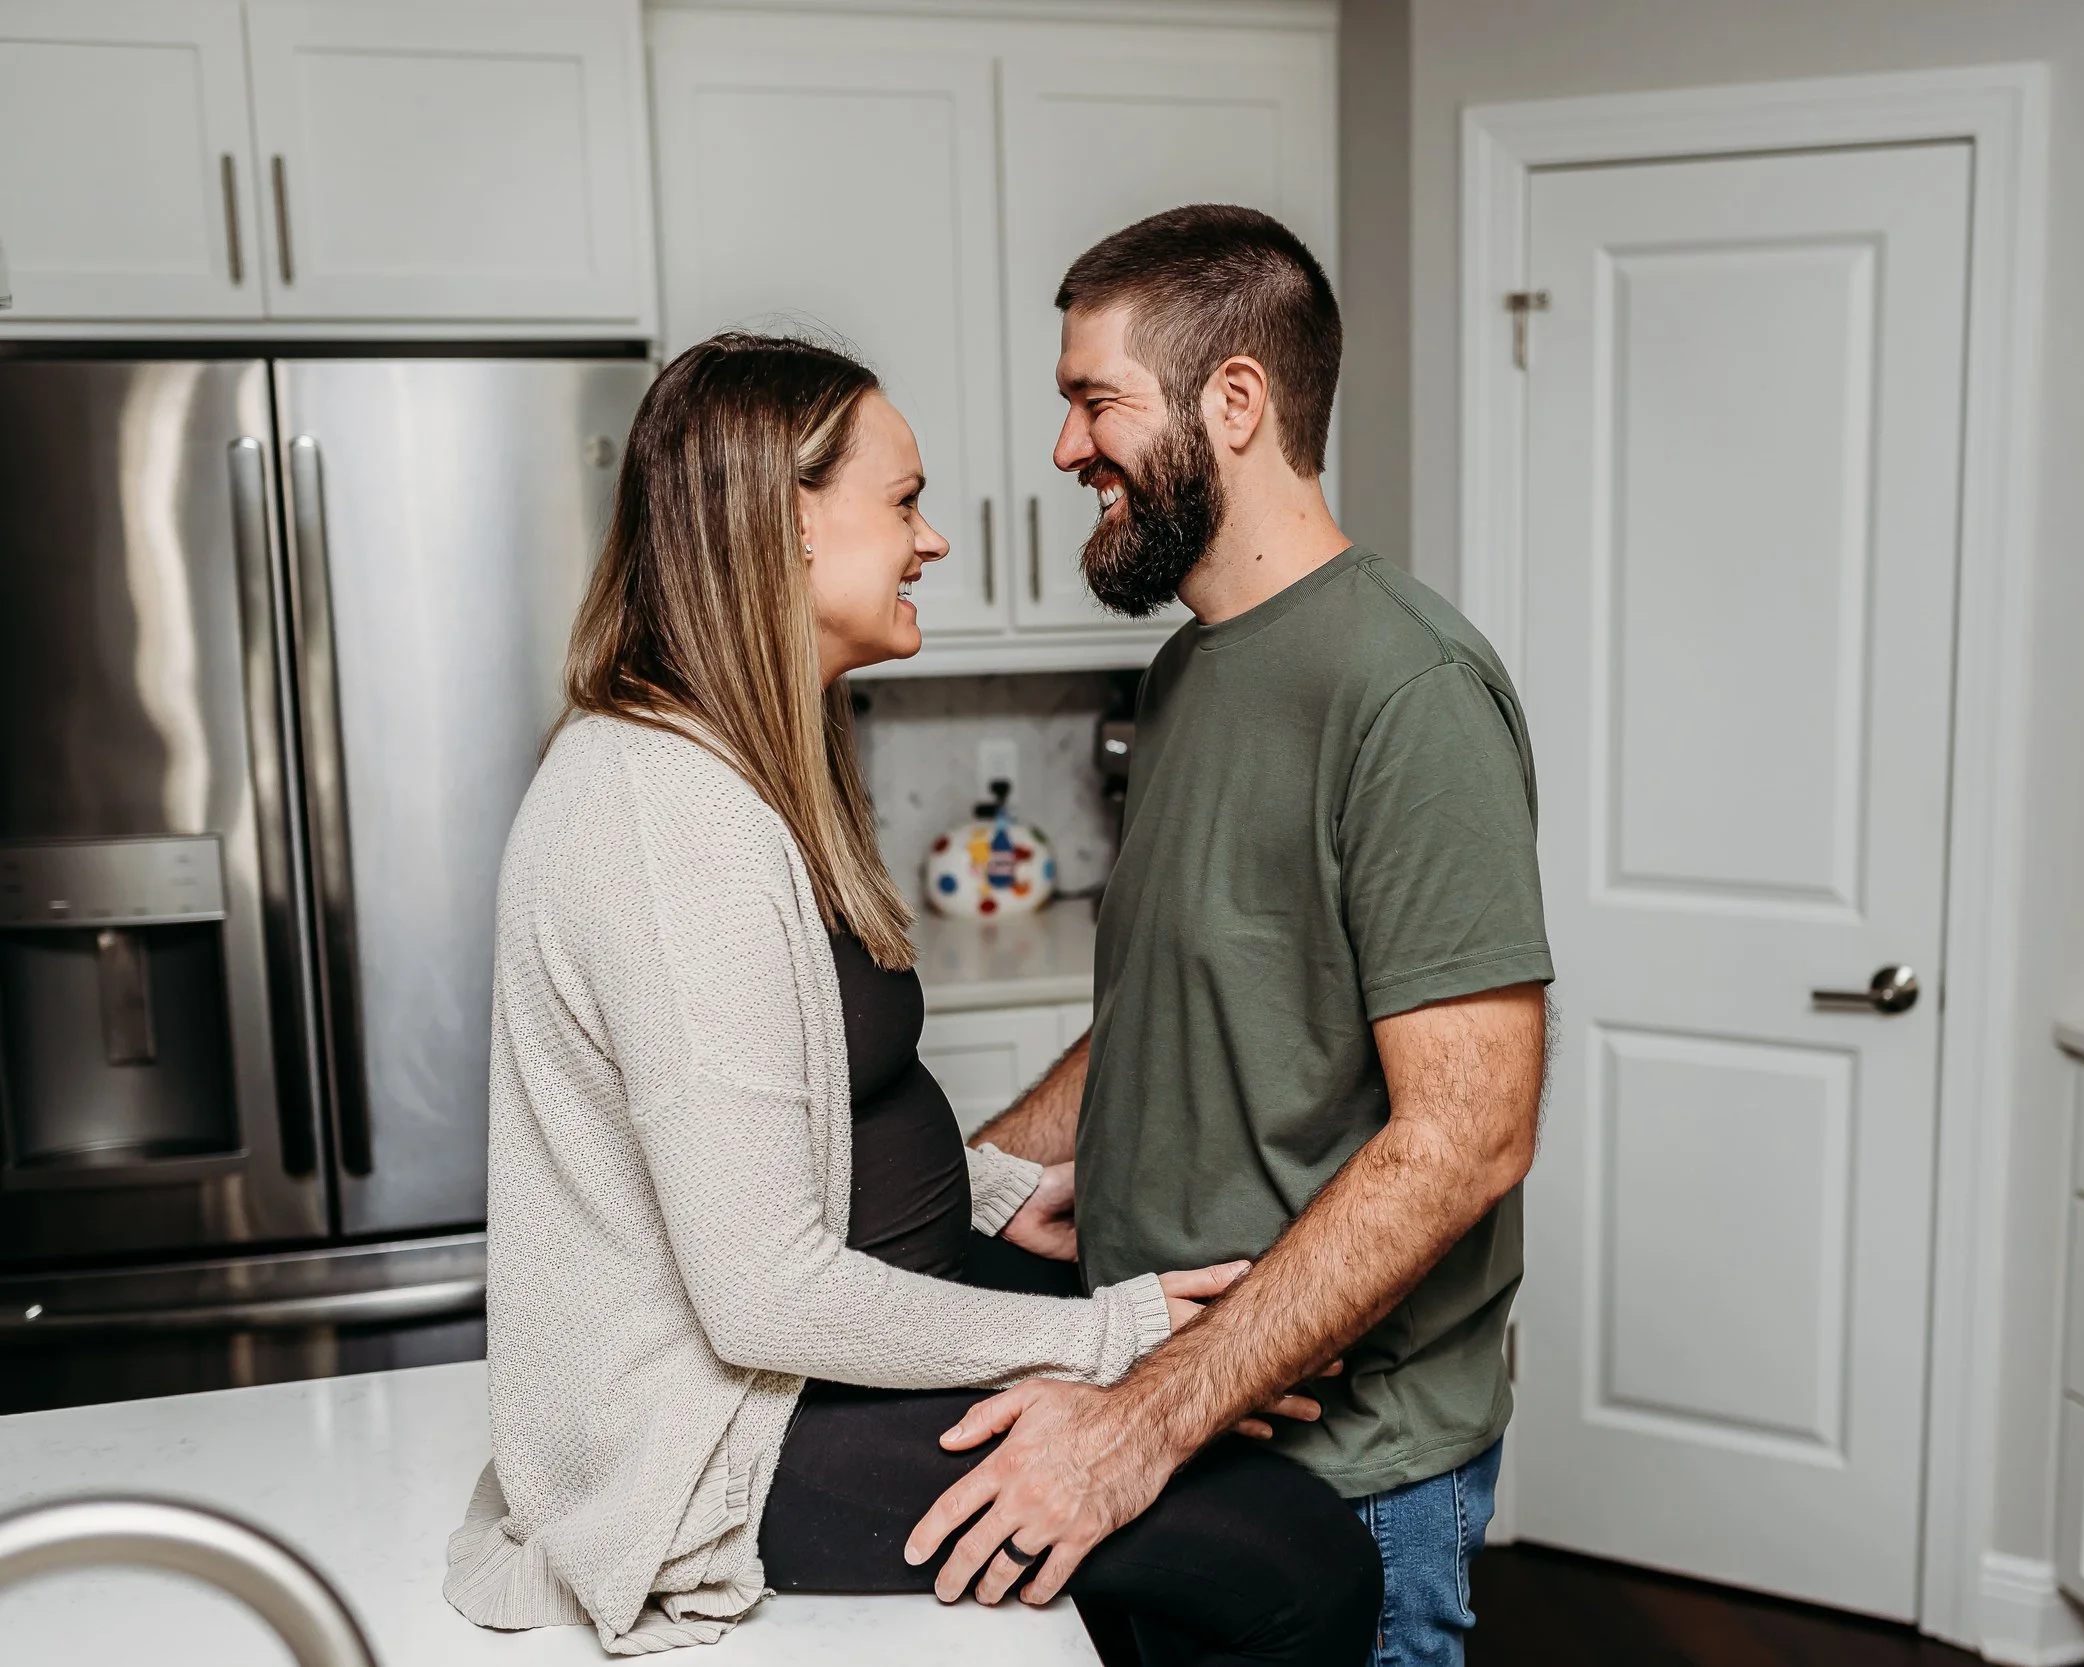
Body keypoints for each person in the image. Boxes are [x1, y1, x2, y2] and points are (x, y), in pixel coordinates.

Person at [443, 331, 1381, 1663]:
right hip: (725, 1427)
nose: (932, 540)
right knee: (1297, 1563)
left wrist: (996, 1197)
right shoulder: (662, 818)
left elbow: (803, 1099)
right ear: (782, 525)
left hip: (818, 1335)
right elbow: (763, 1293)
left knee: (1206, 1385)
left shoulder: (750, 758)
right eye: (903, 501)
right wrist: (1109, 1341)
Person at [914, 207, 1551, 1667]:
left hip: (1340, 1475)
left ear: (1236, 402)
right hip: (1174, 1411)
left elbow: (1469, 1133)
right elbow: (1187, 990)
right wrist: (988, 1174)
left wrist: (1139, 1425)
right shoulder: (1196, 667)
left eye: (1094, 400)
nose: (1067, 447)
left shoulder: (1410, 688)